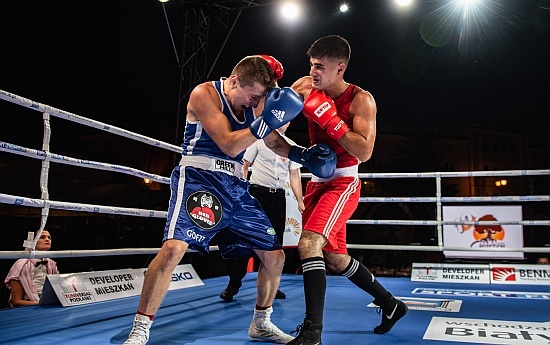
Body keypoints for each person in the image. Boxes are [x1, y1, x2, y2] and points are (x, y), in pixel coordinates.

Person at [123, 55, 336, 345]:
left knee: (275, 257)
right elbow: (229, 143)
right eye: (252, 96)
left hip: (236, 187)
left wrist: (302, 155)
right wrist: (266, 122)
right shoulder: (205, 94)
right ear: (234, 81)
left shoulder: (254, 102)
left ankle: (261, 323)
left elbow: (272, 141)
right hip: (200, 180)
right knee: (174, 249)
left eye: (260, 98)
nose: (254, 103)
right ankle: (140, 327)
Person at [287, 35, 408, 344]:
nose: (313, 72)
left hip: (343, 181)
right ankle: (391, 305)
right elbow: (278, 116)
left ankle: (312, 331)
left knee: (309, 243)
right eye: (311, 65)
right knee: (337, 260)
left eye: (320, 67)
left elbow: (365, 151)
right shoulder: (305, 86)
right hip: (317, 180)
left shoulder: (360, 100)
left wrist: (332, 122)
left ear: (339, 68)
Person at [220, 120, 305, 302]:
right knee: (246, 240)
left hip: (279, 197)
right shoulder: (259, 140)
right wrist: (240, 188)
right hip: (257, 193)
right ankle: (233, 284)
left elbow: (294, 176)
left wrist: (300, 200)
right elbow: (245, 164)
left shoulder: (292, 147)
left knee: (275, 244)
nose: (285, 123)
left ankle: (271, 287)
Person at [4, 230, 59, 307]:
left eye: (49, 237)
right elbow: (16, 301)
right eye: (42, 237)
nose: (47, 239)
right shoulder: (20, 265)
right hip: (29, 308)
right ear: (32, 242)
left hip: (49, 305)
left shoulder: (52, 263)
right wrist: (41, 304)